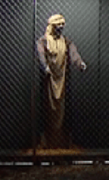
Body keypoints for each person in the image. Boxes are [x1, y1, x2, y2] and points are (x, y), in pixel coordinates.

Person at [36, 14, 87, 149]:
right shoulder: (43, 41)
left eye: (62, 26)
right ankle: (47, 143)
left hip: (63, 80)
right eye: (58, 25)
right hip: (48, 80)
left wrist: (79, 63)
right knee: (47, 109)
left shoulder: (66, 41)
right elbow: (41, 54)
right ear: (52, 27)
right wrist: (45, 67)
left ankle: (62, 143)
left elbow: (73, 53)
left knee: (63, 111)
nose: (61, 28)